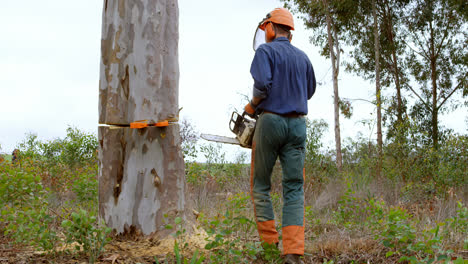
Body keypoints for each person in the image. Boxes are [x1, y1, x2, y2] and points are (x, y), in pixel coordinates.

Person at [244, 7, 316, 264]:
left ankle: (270, 248)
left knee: (261, 185)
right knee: (294, 187)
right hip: (298, 125)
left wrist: (252, 106)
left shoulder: (265, 51)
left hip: (271, 120)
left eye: (266, 30)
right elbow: (308, 92)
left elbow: (262, 86)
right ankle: (293, 253)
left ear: (272, 28)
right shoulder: (303, 58)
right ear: (290, 33)